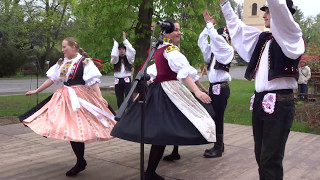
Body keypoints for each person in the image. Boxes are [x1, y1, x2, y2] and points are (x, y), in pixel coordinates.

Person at [111, 19, 216, 180]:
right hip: (168, 92)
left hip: (163, 91)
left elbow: (178, 73)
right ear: (167, 33)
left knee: (165, 130)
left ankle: (154, 169)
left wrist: (199, 90)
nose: (179, 32)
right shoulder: (169, 50)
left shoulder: (160, 49)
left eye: (179, 29)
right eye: (176, 30)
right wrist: (196, 92)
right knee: (170, 128)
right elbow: (182, 73)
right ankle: (150, 172)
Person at [220, 0, 305, 179]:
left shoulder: (292, 36)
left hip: (280, 104)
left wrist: (276, 6)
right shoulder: (263, 39)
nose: (264, 15)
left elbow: (280, 8)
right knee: (261, 156)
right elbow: (238, 28)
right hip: (260, 102)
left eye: (268, 11)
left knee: (270, 159)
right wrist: (225, 4)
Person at [21, 37, 116, 177]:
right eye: (62, 47)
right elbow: (52, 79)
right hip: (64, 97)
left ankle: (80, 162)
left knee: (76, 129)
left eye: (65, 47)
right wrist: (36, 91)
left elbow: (93, 81)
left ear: (74, 47)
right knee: (53, 121)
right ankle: (80, 161)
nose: (62, 49)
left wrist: (100, 97)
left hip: (81, 98)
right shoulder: (62, 62)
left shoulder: (85, 62)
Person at [111, 32, 136, 108]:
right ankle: (121, 115)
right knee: (119, 98)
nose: (121, 51)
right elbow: (114, 55)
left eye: (123, 49)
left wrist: (125, 40)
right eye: (119, 49)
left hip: (126, 79)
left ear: (125, 50)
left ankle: (130, 113)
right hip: (118, 80)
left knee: (129, 98)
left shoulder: (129, 58)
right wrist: (115, 45)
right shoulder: (115, 59)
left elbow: (132, 51)